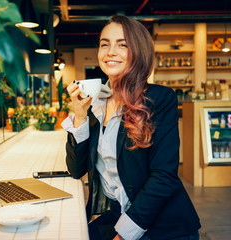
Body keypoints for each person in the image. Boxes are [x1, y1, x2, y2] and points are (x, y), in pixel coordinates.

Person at [61, 15, 201, 240]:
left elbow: (164, 177)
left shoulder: (159, 99)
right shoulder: (95, 102)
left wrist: (124, 235)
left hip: (162, 226)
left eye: (122, 45)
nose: (110, 52)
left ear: (139, 52)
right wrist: (79, 114)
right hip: (119, 215)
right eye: (104, 44)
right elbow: (76, 169)